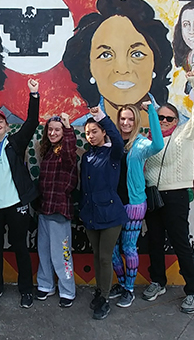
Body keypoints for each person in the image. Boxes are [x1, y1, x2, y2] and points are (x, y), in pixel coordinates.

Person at [142, 70, 194, 314]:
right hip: (152, 195)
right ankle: (158, 282)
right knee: (154, 242)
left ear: (176, 121)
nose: (163, 122)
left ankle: (193, 291)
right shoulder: (148, 139)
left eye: (169, 118)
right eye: (160, 117)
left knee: (181, 243)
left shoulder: (185, 133)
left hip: (176, 195)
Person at [0, 79, 40, 309]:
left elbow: (32, 122)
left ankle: (26, 290)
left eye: (0, 121)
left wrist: (34, 95)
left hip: (17, 206)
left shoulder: (15, 144)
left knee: (20, 247)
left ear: (7, 125)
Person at [63, 0, 173, 121]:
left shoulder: (181, 128)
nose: (122, 69)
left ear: (156, 63)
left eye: (137, 54)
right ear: (88, 68)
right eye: (106, 55)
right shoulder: (80, 129)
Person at [109, 100, 163, 308]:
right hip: (113, 204)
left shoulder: (140, 144)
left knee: (129, 248)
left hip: (133, 203)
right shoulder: (112, 142)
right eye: (123, 118)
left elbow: (157, 145)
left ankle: (129, 290)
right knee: (112, 249)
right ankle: (122, 284)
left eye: (130, 119)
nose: (126, 122)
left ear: (136, 121)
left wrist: (152, 112)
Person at [80, 105, 128, 320]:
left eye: (94, 132)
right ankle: (100, 291)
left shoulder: (113, 153)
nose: (90, 136)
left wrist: (100, 116)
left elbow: (118, 139)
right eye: (87, 133)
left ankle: (105, 298)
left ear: (103, 132)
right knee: (97, 256)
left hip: (110, 214)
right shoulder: (87, 158)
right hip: (90, 214)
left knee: (106, 258)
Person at [35, 112, 78, 308]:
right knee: (44, 251)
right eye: (50, 130)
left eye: (57, 130)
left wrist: (68, 128)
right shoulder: (48, 152)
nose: (53, 133)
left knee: (62, 253)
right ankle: (46, 285)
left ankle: (67, 290)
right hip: (45, 210)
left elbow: (70, 151)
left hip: (60, 211)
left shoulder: (67, 153)